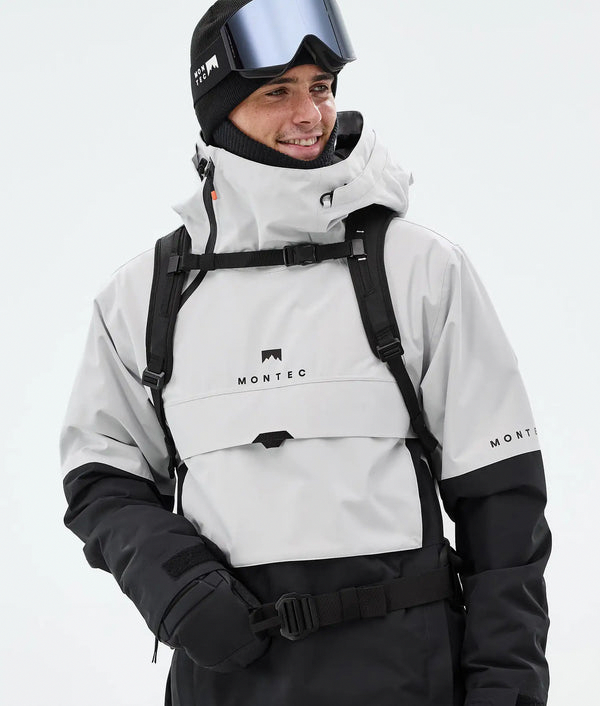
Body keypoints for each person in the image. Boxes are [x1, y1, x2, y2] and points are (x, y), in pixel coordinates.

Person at [60, 1, 551, 705]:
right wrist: (177, 585)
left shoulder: (418, 270)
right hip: (225, 680)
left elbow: (502, 506)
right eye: (277, 91)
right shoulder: (143, 295)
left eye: (321, 88)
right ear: (220, 110)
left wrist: (507, 689)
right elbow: (100, 472)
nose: (309, 115)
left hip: (409, 679)